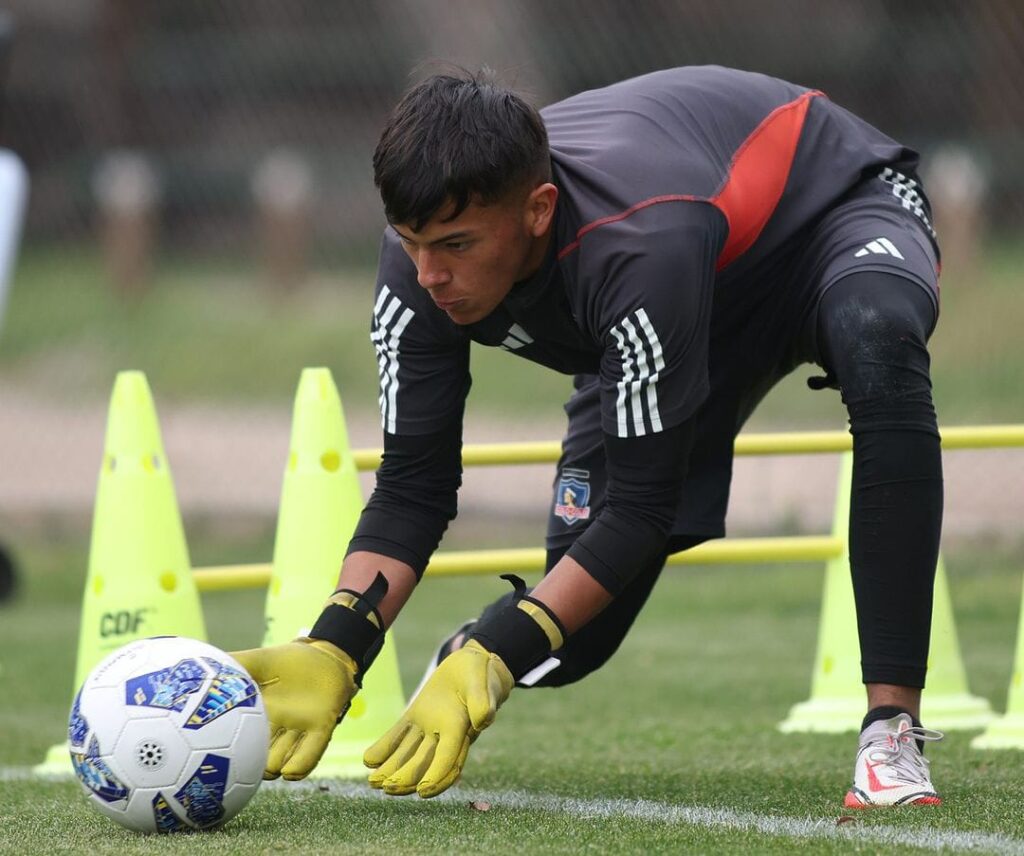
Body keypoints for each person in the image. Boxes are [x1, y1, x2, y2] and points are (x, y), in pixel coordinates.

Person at [235, 65, 947, 808]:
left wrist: (502, 649)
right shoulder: (418, 269)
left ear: (539, 210)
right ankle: (462, 656)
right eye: (411, 242)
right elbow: (413, 486)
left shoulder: (637, 241)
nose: (430, 274)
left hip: (831, 211)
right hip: (680, 286)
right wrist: (335, 643)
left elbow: (643, 507)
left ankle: (891, 726)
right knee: (571, 639)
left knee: (877, 338)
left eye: (455, 244)